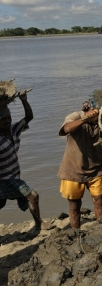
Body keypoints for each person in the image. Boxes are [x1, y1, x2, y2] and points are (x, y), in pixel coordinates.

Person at [58, 95, 102, 229]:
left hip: (96, 169)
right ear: (90, 108)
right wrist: (85, 119)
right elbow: (66, 129)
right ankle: (76, 232)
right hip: (73, 170)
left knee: (99, 201)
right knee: (75, 206)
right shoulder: (76, 116)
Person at [0, 92, 50, 230]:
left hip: (13, 176)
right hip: (4, 179)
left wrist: (24, 100)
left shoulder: (14, 130)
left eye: (8, 117)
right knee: (32, 195)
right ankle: (39, 223)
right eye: (3, 119)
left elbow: (29, 117)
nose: (7, 121)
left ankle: (38, 224)